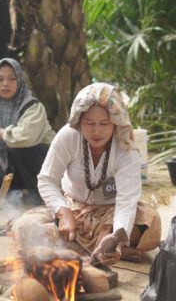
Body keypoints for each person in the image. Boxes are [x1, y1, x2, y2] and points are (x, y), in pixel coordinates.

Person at [11, 83, 161, 265]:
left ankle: (108, 248)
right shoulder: (68, 136)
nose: (96, 131)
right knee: (23, 227)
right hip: (73, 209)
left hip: (111, 214)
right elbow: (46, 180)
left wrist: (116, 238)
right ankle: (100, 249)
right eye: (89, 123)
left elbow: (126, 202)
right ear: (79, 120)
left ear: (115, 122)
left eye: (104, 123)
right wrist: (63, 214)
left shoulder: (126, 147)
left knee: (151, 224)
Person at [0, 58, 55, 204]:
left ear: (19, 81)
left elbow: (25, 138)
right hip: (15, 164)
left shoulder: (32, 106)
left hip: (38, 162)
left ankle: (37, 193)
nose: (5, 84)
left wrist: (2, 133)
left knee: (15, 146)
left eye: (11, 79)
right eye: (0, 79)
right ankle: (0, 194)